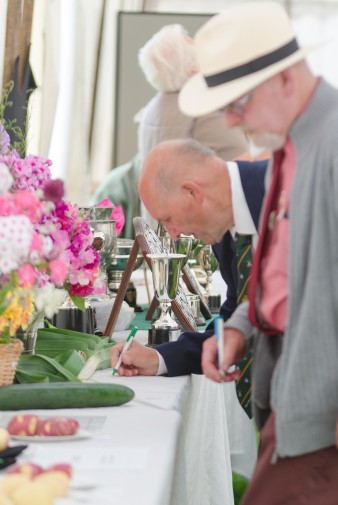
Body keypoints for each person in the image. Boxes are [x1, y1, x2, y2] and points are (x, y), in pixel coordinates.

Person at [171, 3, 338, 504]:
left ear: (285, 79)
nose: (229, 121)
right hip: (295, 400)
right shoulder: (292, 148)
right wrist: (241, 326)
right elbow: (285, 274)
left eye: (238, 103)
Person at [111, 145, 267, 381]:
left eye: (168, 219)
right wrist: (160, 358)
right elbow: (239, 315)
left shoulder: (289, 187)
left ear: (192, 193)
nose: (173, 235)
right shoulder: (221, 225)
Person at [137, 23, 248, 228]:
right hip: (195, 238)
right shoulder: (204, 111)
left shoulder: (152, 109)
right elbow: (246, 167)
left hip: (158, 232)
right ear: (192, 70)